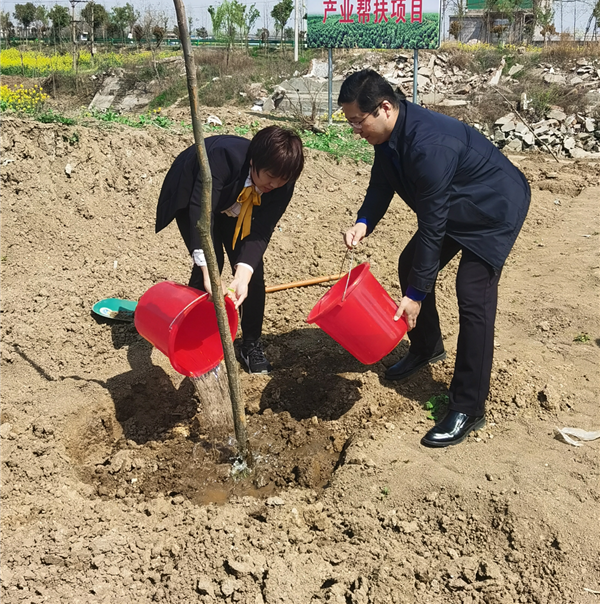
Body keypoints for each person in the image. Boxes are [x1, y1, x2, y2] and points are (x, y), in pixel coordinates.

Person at [340, 69, 531, 448]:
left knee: (472, 294)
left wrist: (416, 295)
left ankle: (468, 406)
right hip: (457, 201)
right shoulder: (388, 134)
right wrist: (364, 221)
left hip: (494, 206)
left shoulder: (429, 147)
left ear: (384, 108)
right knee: (409, 263)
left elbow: (432, 226)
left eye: (358, 122)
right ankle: (427, 347)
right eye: (350, 123)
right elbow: (382, 181)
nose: (356, 131)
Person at [156, 125, 304, 374]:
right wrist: (209, 274)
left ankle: (251, 344)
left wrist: (242, 277)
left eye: (282, 180)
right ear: (254, 161)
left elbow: (261, 230)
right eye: (270, 176)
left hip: (241, 207)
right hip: (197, 198)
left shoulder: (282, 183)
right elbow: (202, 216)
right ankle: (193, 340)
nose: (275, 184)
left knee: (253, 273)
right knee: (210, 266)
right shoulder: (222, 157)